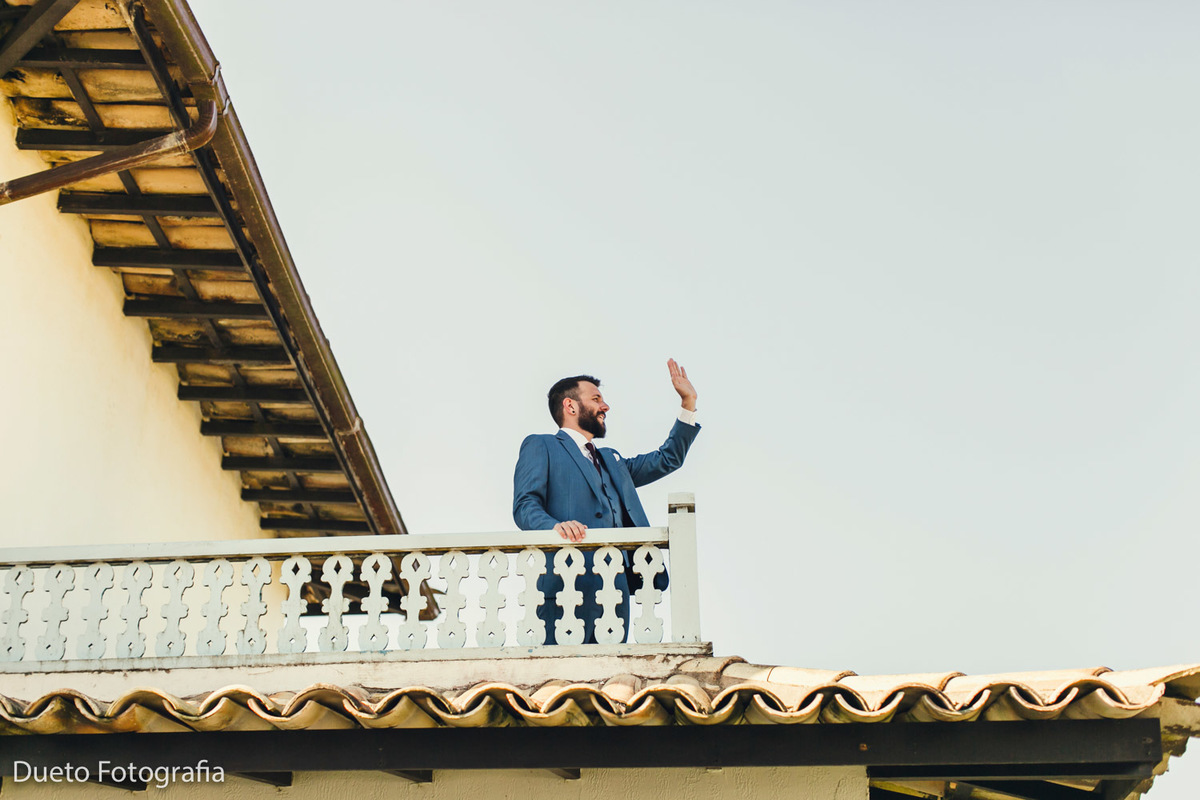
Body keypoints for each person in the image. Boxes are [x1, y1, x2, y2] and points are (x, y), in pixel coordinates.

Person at [512, 359, 700, 644]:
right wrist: (555, 526)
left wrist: (688, 403)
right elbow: (525, 505)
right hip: (564, 586)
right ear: (571, 406)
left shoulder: (612, 461)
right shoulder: (542, 445)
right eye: (596, 399)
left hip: (616, 591)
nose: (605, 406)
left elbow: (667, 459)